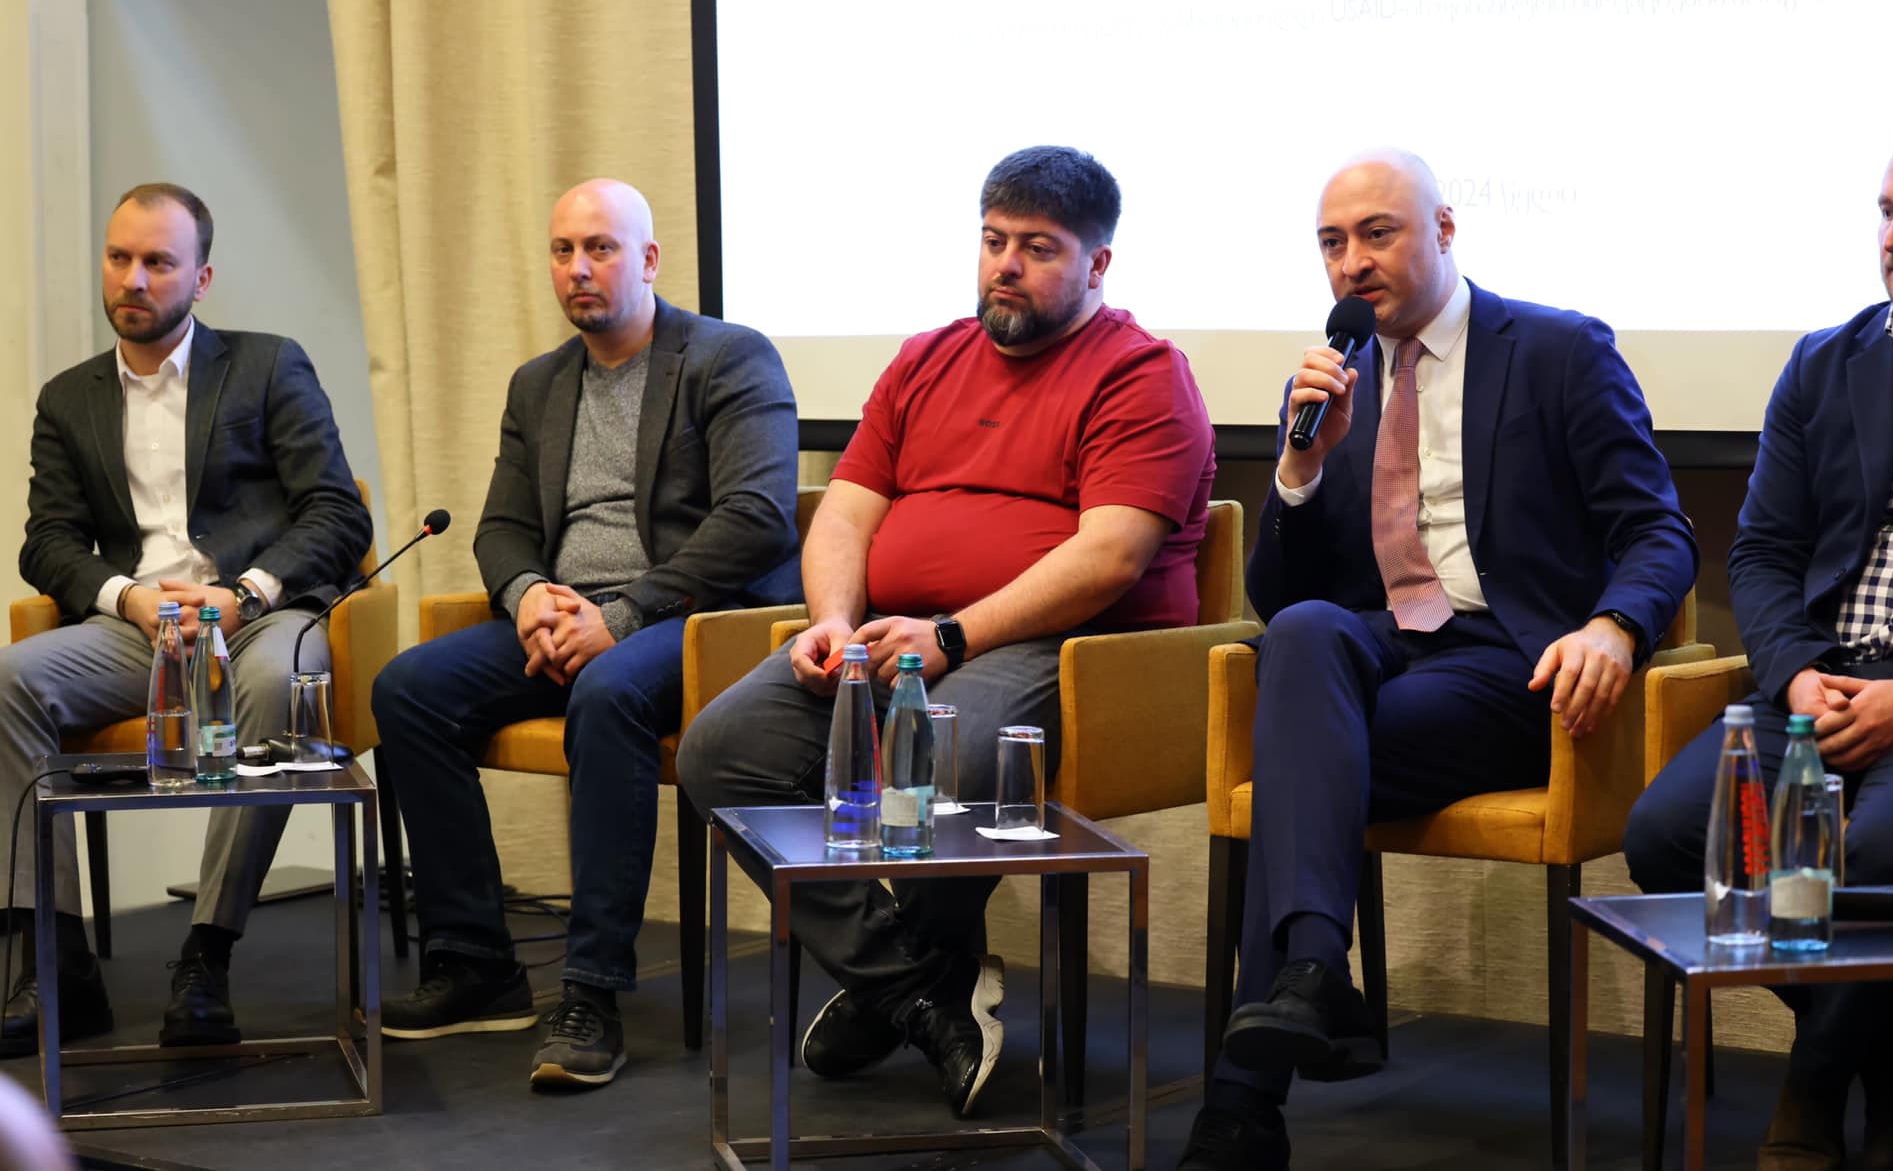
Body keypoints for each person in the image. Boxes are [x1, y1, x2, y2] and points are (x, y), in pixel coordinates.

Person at [1178, 149, 1698, 1169]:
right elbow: (1282, 595)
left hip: (1511, 660)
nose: (1351, 262)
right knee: (1302, 631)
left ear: (1445, 229)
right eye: (1332, 242)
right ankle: (1314, 974)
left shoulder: (1557, 350)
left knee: (1298, 766)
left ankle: (1246, 1095)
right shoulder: (1332, 384)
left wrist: (1613, 625)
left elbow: (1657, 530)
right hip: (1379, 648)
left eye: (1377, 233)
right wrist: (1297, 467)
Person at [681, 145, 1216, 1118]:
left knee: (938, 751)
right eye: (993, 240)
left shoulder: (1142, 374)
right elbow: (844, 513)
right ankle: (918, 990)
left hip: (1072, 651)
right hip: (893, 638)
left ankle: (889, 986)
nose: (1006, 264)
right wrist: (833, 622)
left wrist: (953, 635)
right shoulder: (925, 359)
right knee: (721, 753)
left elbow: (1109, 557)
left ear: (1097, 264)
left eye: (1038, 248)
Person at [1625, 118, 1893, 1171]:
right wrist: (1796, 673)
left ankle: (1807, 1094)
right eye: (1887, 210)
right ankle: (1892, 1048)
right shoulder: (1822, 362)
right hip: (1823, 681)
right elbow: (1762, 550)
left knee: (1884, 852)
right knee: (1671, 836)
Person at [371, 178, 801, 1090]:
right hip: (571, 617)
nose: (578, 268)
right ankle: (476, 961)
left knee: (606, 695)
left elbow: (758, 520)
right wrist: (529, 594)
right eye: (563, 250)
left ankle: (592, 991)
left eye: (600, 248)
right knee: (408, 690)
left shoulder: (729, 358)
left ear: (648, 259)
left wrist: (623, 615)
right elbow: (501, 527)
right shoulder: (539, 384)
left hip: (693, 620)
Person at [0, 182, 373, 1055]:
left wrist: (248, 591)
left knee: (276, 685)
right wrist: (124, 595)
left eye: (158, 262)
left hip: (256, 617)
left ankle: (208, 950)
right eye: (119, 257)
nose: (133, 278)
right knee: (9, 681)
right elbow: (48, 541)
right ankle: (56, 960)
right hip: (139, 629)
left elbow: (335, 511)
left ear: (201, 279)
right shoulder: (69, 398)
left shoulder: (268, 365)